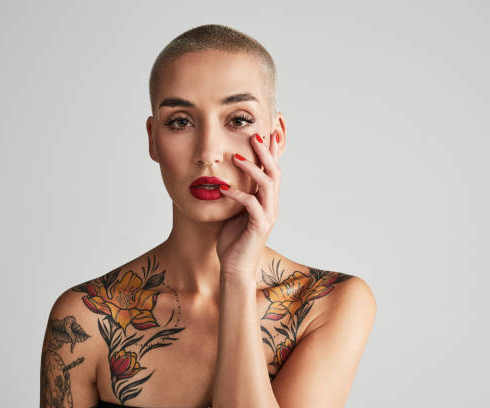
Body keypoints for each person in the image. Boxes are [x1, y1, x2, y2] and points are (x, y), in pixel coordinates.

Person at [40, 24, 376, 408]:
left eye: (238, 120)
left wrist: (236, 278)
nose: (207, 152)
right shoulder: (87, 318)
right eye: (180, 121)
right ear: (152, 139)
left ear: (276, 138)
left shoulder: (329, 305)